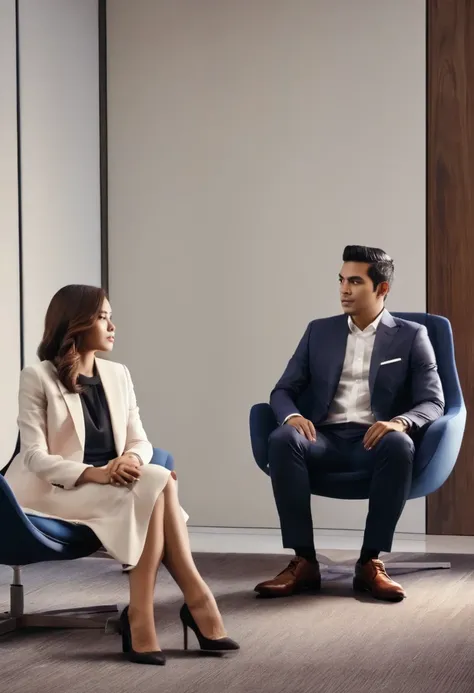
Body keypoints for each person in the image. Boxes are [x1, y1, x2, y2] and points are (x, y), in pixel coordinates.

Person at [5, 284, 239, 665]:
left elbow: (140, 440)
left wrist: (129, 460)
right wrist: (97, 473)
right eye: (102, 317)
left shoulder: (118, 374)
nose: (112, 326)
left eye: (111, 317)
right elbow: (33, 458)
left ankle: (144, 617)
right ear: (75, 324)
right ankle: (193, 601)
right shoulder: (38, 378)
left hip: (116, 484)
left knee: (155, 476)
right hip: (53, 489)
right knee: (159, 481)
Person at [254, 245, 444, 602]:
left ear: (381, 289)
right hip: (323, 439)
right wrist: (293, 416)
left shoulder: (412, 335)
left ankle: (370, 562)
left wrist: (400, 422)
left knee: (399, 443)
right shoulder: (318, 332)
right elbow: (283, 389)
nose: (344, 289)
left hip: (374, 443)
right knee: (282, 438)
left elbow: (433, 400)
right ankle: (303, 561)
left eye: (355, 281)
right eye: (341, 280)